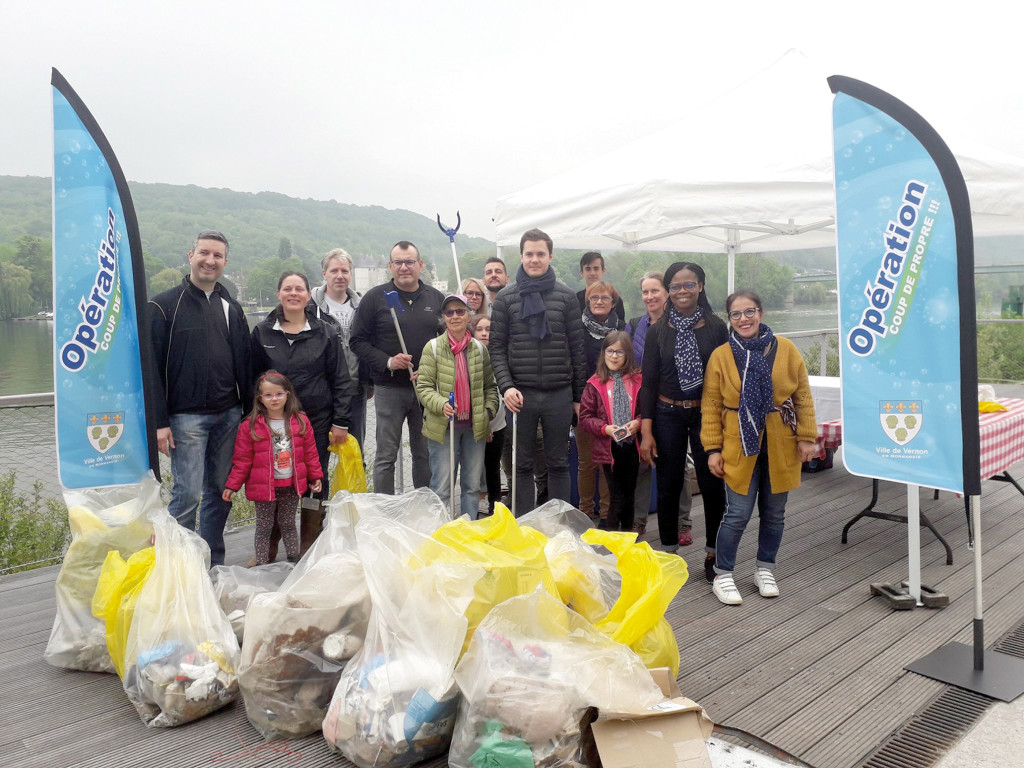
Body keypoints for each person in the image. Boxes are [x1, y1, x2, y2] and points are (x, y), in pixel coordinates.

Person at [702, 290, 818, 605]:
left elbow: (803, 395)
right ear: (730, 319)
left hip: (781, 441)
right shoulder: (722, 356)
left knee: (775, 513)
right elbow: (711, 405)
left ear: (761, 313)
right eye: (736, 314)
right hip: (738, 442)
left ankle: (765, 568)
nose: (744, 319)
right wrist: (712, 449)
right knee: (737, 513)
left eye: (749, 311)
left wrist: (807, 435)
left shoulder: (788, 350)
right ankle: (723, 572)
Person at [147, 229, 251, 566]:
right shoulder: (163, 306)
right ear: (190, 255)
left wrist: (248, 412)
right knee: (187, 495)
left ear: (225, 262)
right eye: (204, 253)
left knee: (220, 494)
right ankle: (176, 569)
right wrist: (159, 422)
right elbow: (150, 368)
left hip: (228, 415)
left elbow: (244, 364)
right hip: (185, 418)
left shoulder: (231, 307)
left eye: (218, 255)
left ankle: (212, 565)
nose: (210, 260)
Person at [490, 228, 587, 516]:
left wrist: (578, 397)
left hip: (559, 393)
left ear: (550, 256)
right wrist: (506, 387)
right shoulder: (506, 299)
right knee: (522, 465)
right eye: (529, 254)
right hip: (521, 395)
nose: (534, 259)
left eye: (540, 254)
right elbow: (496, 348)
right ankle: (523, 526)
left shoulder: (567, 298)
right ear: (521, 256)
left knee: (558, 462)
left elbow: (577, 349)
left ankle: (561, 526)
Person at [639, 262, 727, 572]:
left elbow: (726, 378)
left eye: (688, 285)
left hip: (706, 413)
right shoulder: (658, 331)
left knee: (712, 481)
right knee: (669, 482)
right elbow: (648, 384)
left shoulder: (717, 328)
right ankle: (668, 554)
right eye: (675, 287)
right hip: (666, 413)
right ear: (668, 292)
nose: (682, 292)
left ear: (701, 286)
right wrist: (647, 433)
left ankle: (714, 552)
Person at [249, 271, 353, 501]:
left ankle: (312, 534)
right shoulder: (262, 333)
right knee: (275, 482)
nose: (293, 294)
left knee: (315, 480)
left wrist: (340, 422)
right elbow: (251, 380)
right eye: (287, 289)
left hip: (315, 421)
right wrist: (252, 421)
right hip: (272, 424)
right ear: (278, 294)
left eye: (299, 289)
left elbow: (341, 380)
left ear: (308, 296)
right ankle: (276, 534)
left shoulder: (326, 332)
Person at [350, 241, 444, 493]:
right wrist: (388, 361)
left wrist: (433, 371)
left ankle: (424, 507)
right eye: (399, 262)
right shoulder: (374, 298)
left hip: (425, 389)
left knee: (424, 453)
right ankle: (385, 512)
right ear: (390, 266)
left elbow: (449, 343)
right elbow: (357, 341)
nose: (404, 267)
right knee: (386, 455)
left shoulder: (436, 299)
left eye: (410, 262)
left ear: (420, 265)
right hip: (388, 388)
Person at [223, 371, 323, 565]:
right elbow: (242, 460)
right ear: (260, 399)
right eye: (268, 395)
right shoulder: (250, 425)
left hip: (291, 484)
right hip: (263, 486)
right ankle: (262, 562)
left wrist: (315, 477)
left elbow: (310, 453)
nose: (274, 398)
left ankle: (294, 560)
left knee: (288, 523)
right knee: (264, 525)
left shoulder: (301, 421)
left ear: (288, 394)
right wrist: (232, 486)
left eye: (278, 394)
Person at [415, 295, 499, 519]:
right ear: (444, 317)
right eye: (449, 312)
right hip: (443, 428)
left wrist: (488, 412)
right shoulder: (432, 348)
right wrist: (441, 403)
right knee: (442, 486)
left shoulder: (480, 350)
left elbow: (491, 387)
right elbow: (422, 387)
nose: (455, 316)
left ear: (468, 314)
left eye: (460, 311)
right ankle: (441, 531)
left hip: (474, 429)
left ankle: (467, 529)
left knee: (472, 486)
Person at [627, 271, 694, 540]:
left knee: (676, 461)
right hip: (643, 401)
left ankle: (683, 521)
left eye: (655, 291)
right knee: (643, 461)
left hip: (671, 402)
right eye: (645, 292)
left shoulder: (680, 324)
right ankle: (638, 520)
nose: (650, 296)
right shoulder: (634, 325)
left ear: (667, 293)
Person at [579, 331, 642, 532]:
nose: (614, 356)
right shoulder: (594, 383)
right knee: (616, 494)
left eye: (620, 352)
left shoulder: (638, 380)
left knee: (630, 492)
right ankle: (614, 538)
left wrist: (638, 422)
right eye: (610, 351)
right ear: (603, 353)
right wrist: (605, 428)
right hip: (608, 447)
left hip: (632, 445)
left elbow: (647, 411)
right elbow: (585, 418)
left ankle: (628, 535)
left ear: (628, 355)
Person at [308, 248, 367, 450]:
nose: (340, 276)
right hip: (320, 391)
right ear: (324, 274)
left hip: (355, 390)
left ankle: (354, 484)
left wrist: (370, 382)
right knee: (316, 454)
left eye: (344, 271)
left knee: (355, 453)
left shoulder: (362, 307)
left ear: (350, 273)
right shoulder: (310, 308)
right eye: (334, 271)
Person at [577, 281, 624, 524]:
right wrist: (575, 400)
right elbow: (574, 366)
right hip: (584, 402)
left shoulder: (622, 330)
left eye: (604, 298)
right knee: (586, 462)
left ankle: (607, 514)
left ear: (613, 303)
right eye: (594, 297)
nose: (599, 301)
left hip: (614, 403)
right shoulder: (577, 329)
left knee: (609, 461)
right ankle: (585, 512)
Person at [469, 313, 507, 515]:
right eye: (480, 329)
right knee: (473, 467)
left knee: (493, 466)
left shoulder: (500, 354)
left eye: (489, 329)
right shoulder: (467, 354)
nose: (484, 334)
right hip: (473, 420)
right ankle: (471, 506)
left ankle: (495, 507)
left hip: (498, 419)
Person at [575, 252, 625, 321]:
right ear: (582, 273)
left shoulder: (615, 300)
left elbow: (621, 328)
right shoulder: (575, 300)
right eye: (588, 269)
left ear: (603, 271)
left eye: (596, 269)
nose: (592, 273)